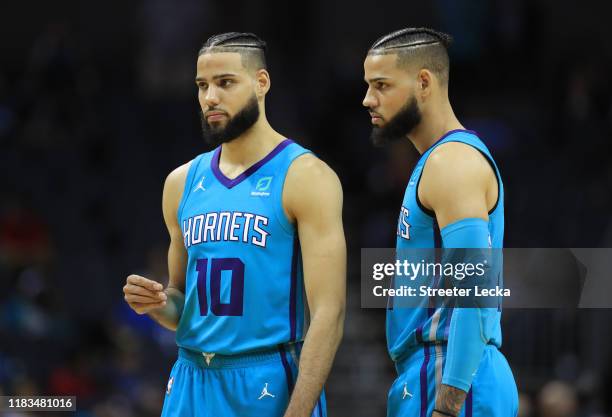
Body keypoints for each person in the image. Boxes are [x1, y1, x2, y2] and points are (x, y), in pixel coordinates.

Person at [123, 32, 346, 417]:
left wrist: (299, 411)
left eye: (225, 83)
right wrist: (159, 304)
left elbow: (330, 312)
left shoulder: (305, 175)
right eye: (202, 85)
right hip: (191, 377)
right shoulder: (181, 183)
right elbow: (182, 305)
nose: (210, 97)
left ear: (261, 83)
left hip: (266, 378)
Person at [362, 28, 518, 417]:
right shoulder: (439, 160)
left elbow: (474, 292)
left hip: (450, 377)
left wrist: (447, 406)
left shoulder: (451, 162)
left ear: (424, 82)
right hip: (439, 373)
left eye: (381, 85)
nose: (368, 99)